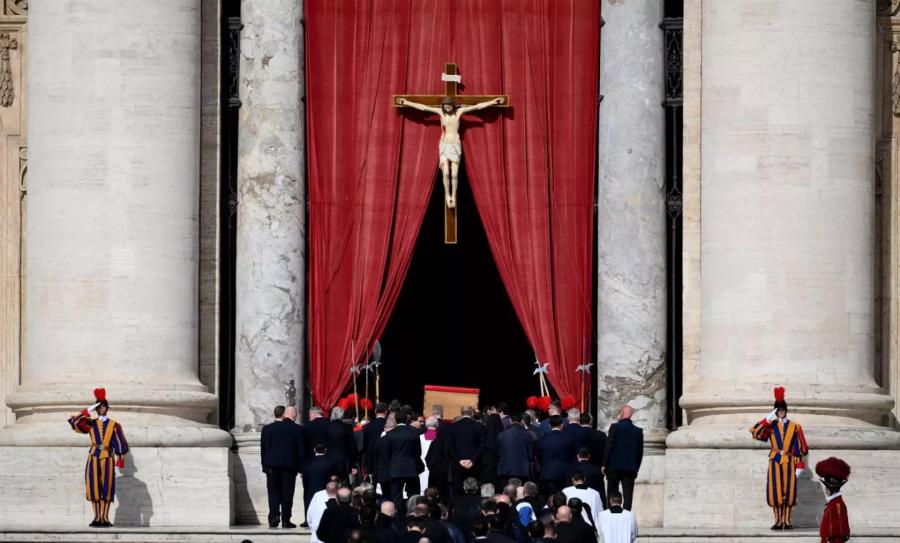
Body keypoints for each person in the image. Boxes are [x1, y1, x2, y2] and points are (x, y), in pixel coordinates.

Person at [396, 95, 505, 208]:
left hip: (455, 146)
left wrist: (493, 102)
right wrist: (407, 103)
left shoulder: (459, 112)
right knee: (446, 173)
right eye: (445, 105)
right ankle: (448, 195)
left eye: (449, 104)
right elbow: (424, 107)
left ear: (453, 105)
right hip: (444, 146)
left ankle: (454, 195)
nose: (447, 106)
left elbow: (477, 106)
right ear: (443, 106)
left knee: (454, 174)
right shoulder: (441, 113)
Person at [67, 388, 129, 528]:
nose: (101, 408)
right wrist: (88, 410)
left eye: (103, 406)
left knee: (107, 487)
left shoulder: (114, 425)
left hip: (107, 457)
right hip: (93, 457)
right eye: (99, 406)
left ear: (107, 408)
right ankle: (96, 517)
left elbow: (121, 444)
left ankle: (105, 517)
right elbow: (75, 422)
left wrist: (119, 461)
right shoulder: (91, 423)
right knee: (94, 486)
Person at [749, 387, 808, 530]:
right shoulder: (770, 426)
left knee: (789, 491)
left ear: (786, 410)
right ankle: (777, 521)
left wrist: (800, 466)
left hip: (790, 461)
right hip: (775, 460)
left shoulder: (795, 427)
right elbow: (755, 433)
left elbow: (802, 448)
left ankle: (787, 521)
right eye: (778, 410)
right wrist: (767, 419)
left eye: (783, 409)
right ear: (775, 411)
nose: (781, 411)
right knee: (775, 491)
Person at [261, 405, 305, 528]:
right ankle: (286, 520)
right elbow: (300, 451)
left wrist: (264, 466)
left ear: (285, 414)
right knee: (287, 494)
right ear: (294, 416)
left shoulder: (267, 429)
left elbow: (264, 449)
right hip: (290, 467)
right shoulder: (298, 429)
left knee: (273, 493)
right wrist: (301, 469)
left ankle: (273, 517)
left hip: (272, 467)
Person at [603, 405, 643, 511]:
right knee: (628, 495)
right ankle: (626, 515)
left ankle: (612, 512)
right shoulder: (638, 431)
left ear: (621, 413)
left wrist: (604, 464)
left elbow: (609, 446)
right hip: (630, 469)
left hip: (613, 467)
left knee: (612, 492)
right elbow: (639, 452)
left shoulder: (615, 427)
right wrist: (636, 468)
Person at [386, 410, 424, 514]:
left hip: (396, 469)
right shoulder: (414, 432)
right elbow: (418, 452)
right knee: (413, 494)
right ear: (407, 420)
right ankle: (412, 514)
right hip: (411, 468)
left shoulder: (390, 434)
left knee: (396, 495)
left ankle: (398, 515)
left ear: (395, 420)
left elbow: (388, 453)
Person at [446, 406, 486, 492]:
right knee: (473, 491)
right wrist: (472, 460)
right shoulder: (479, 426)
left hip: (457, 465)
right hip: (474, 465)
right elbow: (482, 446)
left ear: (461, 413)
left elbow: (449, 446)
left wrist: (458, 460)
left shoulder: (452, 427)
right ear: (472, 414)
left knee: (457, 491)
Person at [537, 415, 577, 495]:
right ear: (562, 425)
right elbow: (573, 456)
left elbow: (539, 456)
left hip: (548, 473)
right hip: (565, 473)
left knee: (551, 497)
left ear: (549, 425)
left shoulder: (544, 439)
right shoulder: (568, 439)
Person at [815, 457, 851, 543]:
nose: (825, 489)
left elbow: (839, 536)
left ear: (831, 488)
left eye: (826, 487)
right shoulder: (833, 504)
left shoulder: (837, 505)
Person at [303, 442, 342, 517]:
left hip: (311, 490)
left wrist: (307, 488)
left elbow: (305, 480)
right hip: (326, 491)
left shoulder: (308, 463)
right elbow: (334, 479)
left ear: (314, 450)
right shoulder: (331, 462)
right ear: (325, 450)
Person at [497, 413, 535, 489]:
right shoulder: (527, 435)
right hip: (522, 470)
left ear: (510, 420)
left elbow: (498, 453)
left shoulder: (501, 435)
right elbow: (530, 454)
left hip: (505, 469)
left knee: (507, 491)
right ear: (521, 421)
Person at [327, 406, 358, 482]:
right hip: (344, 461)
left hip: (329, 460)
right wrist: (353, 465)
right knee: (344, 483)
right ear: (342, 415)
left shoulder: (326, 427)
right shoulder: (347, 427)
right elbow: (352, 447)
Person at [363, 403, 389, 480]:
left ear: (375, 411)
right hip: (385, 459)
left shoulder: (367, 426)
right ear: (386, 411)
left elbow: (364, 444)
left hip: (371, 459)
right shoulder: (389, 426)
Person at [420, 416, 439, 491]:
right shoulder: (440, 438)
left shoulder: (420, 437)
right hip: (435, 469)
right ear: (437, 425)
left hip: (422, 467)